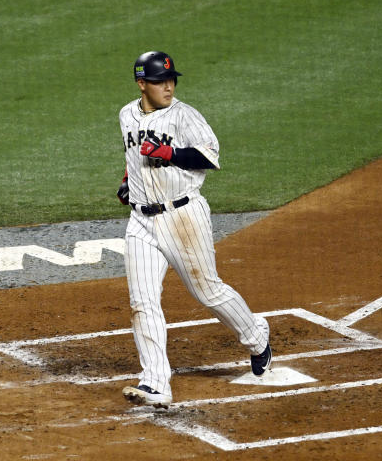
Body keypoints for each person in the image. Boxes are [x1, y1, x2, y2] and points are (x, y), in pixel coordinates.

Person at [116, 51, 271, 409]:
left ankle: (256, 336)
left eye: (171, 80)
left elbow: (210, 156)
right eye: (159, 81)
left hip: (183, 218)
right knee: (142, 303)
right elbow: (133, 157)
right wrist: (127, 182)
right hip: (140, 223)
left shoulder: (185, 116)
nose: (168, 86)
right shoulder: (126, 114)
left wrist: (169, 153)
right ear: (142, 84)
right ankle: (155, 382)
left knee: (208, 292)